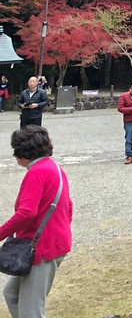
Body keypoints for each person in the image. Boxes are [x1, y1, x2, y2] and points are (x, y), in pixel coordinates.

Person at [0, 126, 72, 318]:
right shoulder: (54, 167)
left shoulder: (36, 173)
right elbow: (68, 206)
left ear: (24, 153)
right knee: (12, 294)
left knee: (31, 311)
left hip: (41, 249)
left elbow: (26, 213)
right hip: (52, 243)